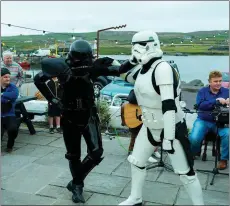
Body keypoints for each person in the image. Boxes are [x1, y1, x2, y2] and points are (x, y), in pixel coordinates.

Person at [33, 40, 135, 204]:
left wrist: (133, 59)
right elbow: (39, 79)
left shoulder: (93, 68)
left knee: (96, 152)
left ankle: (75, 182)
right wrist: (52, 99)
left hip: (89, 114)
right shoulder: (61, 67)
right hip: (69, 115)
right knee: (73, 155)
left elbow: (120, 70)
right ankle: (78, 186)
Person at [113, 30, 204, 205]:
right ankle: (135, 197)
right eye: (134, 46)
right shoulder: (142, 70)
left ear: (152, 44)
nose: (136, 50)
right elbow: (121, 73)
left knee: (185, 173)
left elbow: (168, 105)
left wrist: (169, 138)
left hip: (171, 127)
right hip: (148, 125)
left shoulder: (163, 68)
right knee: (136, 161)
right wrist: (132, 60)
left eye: (139, 46)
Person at [189, 71, 229, 170]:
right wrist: (216, 101)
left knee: (228, 134)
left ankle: (224, 159)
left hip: (221, 122)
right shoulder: (202, 91)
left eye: (220, 81)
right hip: (204, 120)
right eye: (215, 81)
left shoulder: (226, 91)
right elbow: (200, 105)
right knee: (194, 138)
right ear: (209, 82)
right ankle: (194, 152)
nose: (218, 83)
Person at [122, 89, 160, 163]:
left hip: (143, 118)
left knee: (151, 135)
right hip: (138, 120)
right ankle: (141, 153)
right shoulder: (137, 92)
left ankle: (152, 150)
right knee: (140, 136)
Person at [1, 67, 19, 153]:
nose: (8, 78)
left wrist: (2, 94)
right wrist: (6, 98)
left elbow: (14, 95)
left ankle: (9, 146)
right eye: (5, 77)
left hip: (9, 114)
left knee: (13, 129)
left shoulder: (13, 87)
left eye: (8, 77)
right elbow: (9, 98)